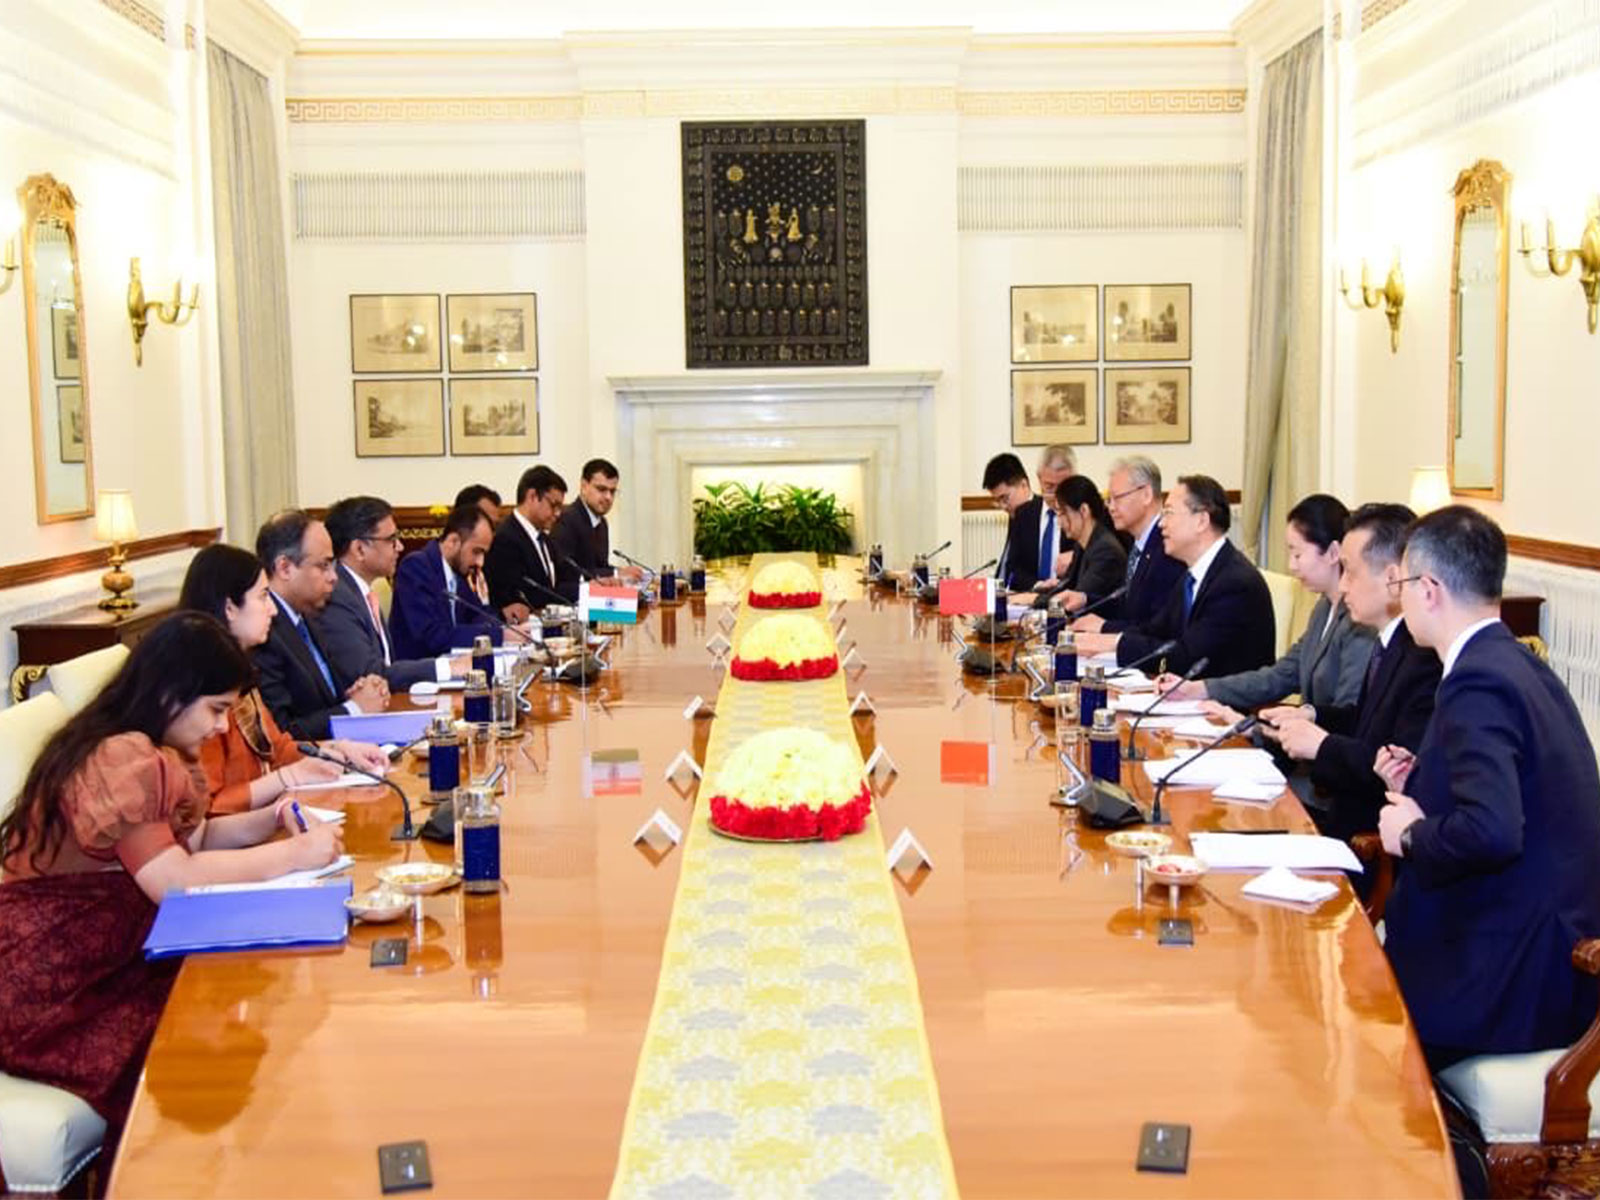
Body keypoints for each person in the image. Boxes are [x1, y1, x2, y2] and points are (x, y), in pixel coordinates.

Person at [0, 613, 342, 1161]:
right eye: (216, 710)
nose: (223, 728)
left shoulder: (157, 750)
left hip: (106, 947)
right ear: (170, 693)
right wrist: (291, 856)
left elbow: (196, 842)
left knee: (235, 987)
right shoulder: (120, 758)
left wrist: (275, 816)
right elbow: (175, 882)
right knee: (181, 1035)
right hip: (54, 971)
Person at [1374, 506, 1600, 1067]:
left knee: (1347, 1006)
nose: (1399, 600)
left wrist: (1411, 834)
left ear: (1429, 589)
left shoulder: (1475, 679)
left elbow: (1494, 830)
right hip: (1535, 941)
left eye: (1402, 584)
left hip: (1513, 975)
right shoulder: (1515, 659)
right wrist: (1423, 779)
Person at [1255, 503, 1439, 841]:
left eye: (1351, 573)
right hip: (1345, 819)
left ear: (1392, 579)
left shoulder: (1423, 658)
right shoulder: (1391, 643)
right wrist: (1311, 715)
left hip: (1366, 836)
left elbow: (1393, 765)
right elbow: (1363, 724)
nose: (1342, 587)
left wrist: (1322, 745)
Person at [178, 543, 390, 815]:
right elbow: (210, 807)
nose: (273, 610)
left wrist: (340, 750)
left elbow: (278, 748)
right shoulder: (201, 688)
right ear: (230, 607)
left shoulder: (241, 671)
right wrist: (287, 778)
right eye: (263, 597)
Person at [1156, 494, 1374, 712]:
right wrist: (1200, 689)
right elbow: (1280, 676)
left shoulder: (1359, 621)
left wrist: (1300, 718)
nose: (1291, 565)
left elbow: (1348, 712)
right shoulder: (1323, 608)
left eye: (1297, 554)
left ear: (1333, 553)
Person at [1075, 474, 1275, 677]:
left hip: (1223, 695)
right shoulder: (1191, 576)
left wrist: (1116, 644)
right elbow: (1156, 630)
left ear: (1201, 521)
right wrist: (1104, 638)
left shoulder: (1234, 583)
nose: (1161, 523)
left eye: (1169, 513)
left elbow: (1188, 656)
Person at [252, 510, 389, 741]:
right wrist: (353, 709)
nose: (334, 577)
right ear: (285, 568)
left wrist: (357, 693)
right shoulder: (264, 632)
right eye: (323, 566)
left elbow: (323, 700)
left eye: (332, 565)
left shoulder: (308, 615)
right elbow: (282, 733)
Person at [315, 496, 465, 691]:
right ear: (359, 549)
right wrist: (448, 667)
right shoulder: (337, 597)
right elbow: (370, 674)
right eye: (391, 540)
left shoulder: (362, 591)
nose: (400, 547)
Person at [1074, 455, 1186, 632]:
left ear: (1146, 495)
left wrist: (1104, 627)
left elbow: (1157, 628)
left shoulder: (1167, 547)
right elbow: (1128, 606)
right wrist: (1084, 599)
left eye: (1117, 498)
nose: (1111, 507)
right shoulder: (1139, 543)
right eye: (1108, 500)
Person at [390, 501, 507, 659]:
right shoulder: (415, 567)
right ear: (453, 541)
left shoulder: (458, 573)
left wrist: (505, 628)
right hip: (422, 668)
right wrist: (500, 636)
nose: (480, 562)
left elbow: (477, 616)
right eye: (476, 552)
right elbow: (433, 636)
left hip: (453, 665)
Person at [485, 464, 574, 615]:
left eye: (560, 507)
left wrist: (589, 588)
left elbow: (555, 585)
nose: (558, 513)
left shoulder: (544, 538)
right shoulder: (505, 539)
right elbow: (523, 595)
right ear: (532, 496)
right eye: (554, 505)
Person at [1028, 474, 1125, 610]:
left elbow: (1075, 599)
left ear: (1084, 510)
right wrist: (1036, 595)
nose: (1059, 522)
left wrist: (1033, 600)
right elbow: (1067, 585)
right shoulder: (1082, 544)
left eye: (1062, 513)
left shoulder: (1105, 552)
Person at [548, 458, 645, 585]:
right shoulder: (567, 519)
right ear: (584, 487)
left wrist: (621, 571)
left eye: (612, 491)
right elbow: (567, 573)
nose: (608, 497)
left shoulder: (602, 523)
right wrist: (615, 573)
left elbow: (600, 567)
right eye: (601, 489)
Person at [983, 452, 1058, 593]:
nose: (1003, 506)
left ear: (1024, 485)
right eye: (997, 501)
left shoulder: (1050, 513)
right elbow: (1010, 568)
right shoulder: (1017, 515)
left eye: (1004, 498)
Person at [453, 485, 502, 603]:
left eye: (495, 526)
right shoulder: (432, 571)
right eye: (488, 524)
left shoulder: (493, 557)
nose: (492, 533)